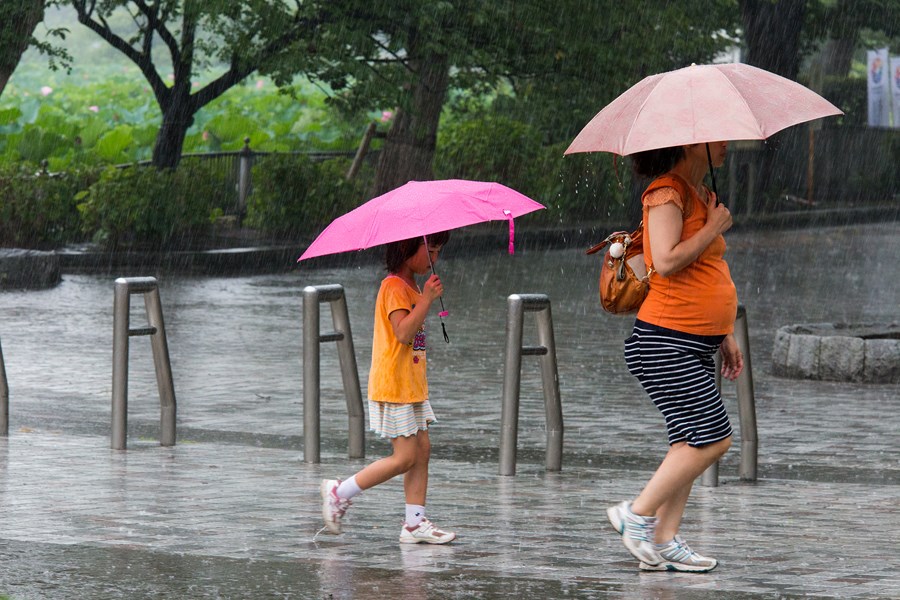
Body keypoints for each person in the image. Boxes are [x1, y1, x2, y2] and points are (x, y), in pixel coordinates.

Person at [607, 141, 744, 572]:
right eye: (719, 138)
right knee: (715, 437)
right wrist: (713, 227)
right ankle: (638, 514)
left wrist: (725, 333)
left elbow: (706, 271)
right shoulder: (665, 192)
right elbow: (665, 261)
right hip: (664, 341)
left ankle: (664, 538)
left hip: (696, 340)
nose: (726, 146)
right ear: (692, 144)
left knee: (689, 441)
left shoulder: (702, 194)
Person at [320, 231, 456, 545]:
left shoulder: (412, 287)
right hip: (395, 386)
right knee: (405, 457)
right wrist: (426, 301)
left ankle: (414, 523)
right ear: (408, 247)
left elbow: (415, 341)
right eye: (431, 251)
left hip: (411, 385)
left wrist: (423, 300)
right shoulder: (394, 287)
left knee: (422, 450)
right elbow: (404, 333)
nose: (435, 260)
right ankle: (339, 493)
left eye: (437, 252)